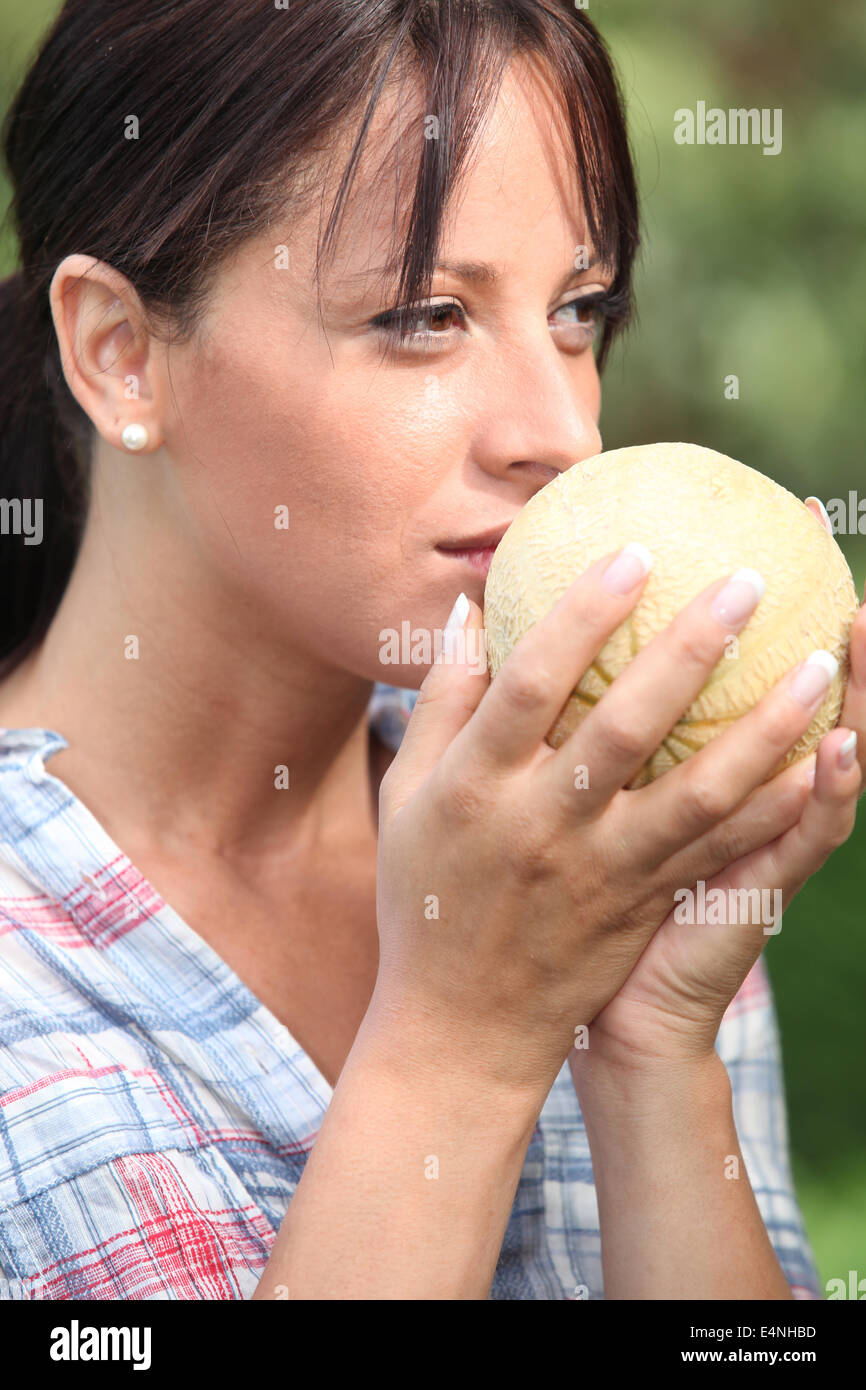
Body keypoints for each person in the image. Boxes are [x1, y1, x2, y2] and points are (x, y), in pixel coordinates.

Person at [0, 0, 862, 1301]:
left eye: (579, 310)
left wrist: (653, 1050)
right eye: (423, 316)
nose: (556, 430)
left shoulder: (580, 831)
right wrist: (462, 1038)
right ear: (121, 353)